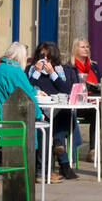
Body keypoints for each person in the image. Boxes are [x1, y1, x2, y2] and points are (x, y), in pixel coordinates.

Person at [28, 41, 79, 180]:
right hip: (40, 109)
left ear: (53, 58)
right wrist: (37, 72)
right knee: (50, 123)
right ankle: (64, 164)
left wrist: (52, 73)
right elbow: (28, 87)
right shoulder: (31, 69)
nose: (45, 60)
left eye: (48, 57)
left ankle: (58, 145)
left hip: (57, 109)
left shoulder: (60, 70)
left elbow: (66, 89)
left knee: (67, 114)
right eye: (42, 56)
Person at [70, 37, 101, 165]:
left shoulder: (94, 66)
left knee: (99, 112)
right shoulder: (70, 67)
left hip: (94, 103)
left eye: (87, 47)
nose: (86, 49)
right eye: (82, 47)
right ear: (75, 49)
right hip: (77, 105)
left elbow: (101, 82)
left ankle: (93, 150)